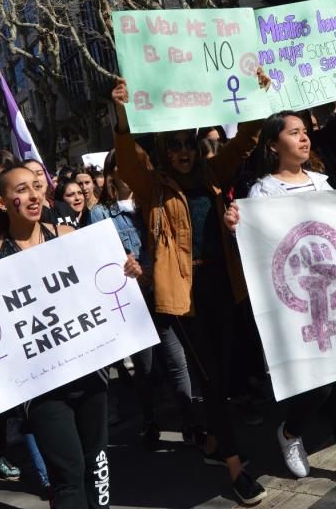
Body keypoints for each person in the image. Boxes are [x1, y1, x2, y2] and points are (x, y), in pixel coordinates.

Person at [111, 73, 270, 505]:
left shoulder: (214, 171)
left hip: (224, 284)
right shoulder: (152, 184)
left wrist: (256, 95)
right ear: (163, 150)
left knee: (227, 375)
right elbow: (127, 160)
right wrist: (123, 112)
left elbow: (247, 141)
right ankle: (235, 466)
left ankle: (215, 439)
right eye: (173, 145)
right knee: (211, 378)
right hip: (184, 293)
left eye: (188, 143)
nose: (182, 151)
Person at [0, 165, 139, 508]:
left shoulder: (66, 235)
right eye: (21, 190)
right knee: (68, 475)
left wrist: (127, 271)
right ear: (2, 202)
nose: (33, 195)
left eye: (37, 187)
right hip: (40, 387)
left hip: (89, 372)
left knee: (97, 466)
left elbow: (100, 284)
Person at [225, 112, 336, 488]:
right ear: (272, 144)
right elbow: (260, 248)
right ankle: (290, 430)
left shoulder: (321, 182)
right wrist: (238, 226)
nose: (304, 138)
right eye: (294, 133)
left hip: (335, 296)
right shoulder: (264, 192)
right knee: (319, 383)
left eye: (305, 132)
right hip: (295, 302)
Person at [89, 150, 199, 450]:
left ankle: (190, 422)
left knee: (177, 363)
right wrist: (125, 269)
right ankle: (151, 422)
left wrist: (148, 270)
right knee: (147, 368)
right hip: (132, 302)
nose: (128, 172)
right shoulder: (100, 214)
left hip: (161, 291)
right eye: (120, 166)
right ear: (110, 173)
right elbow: (98, 259)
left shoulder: (153, 201)